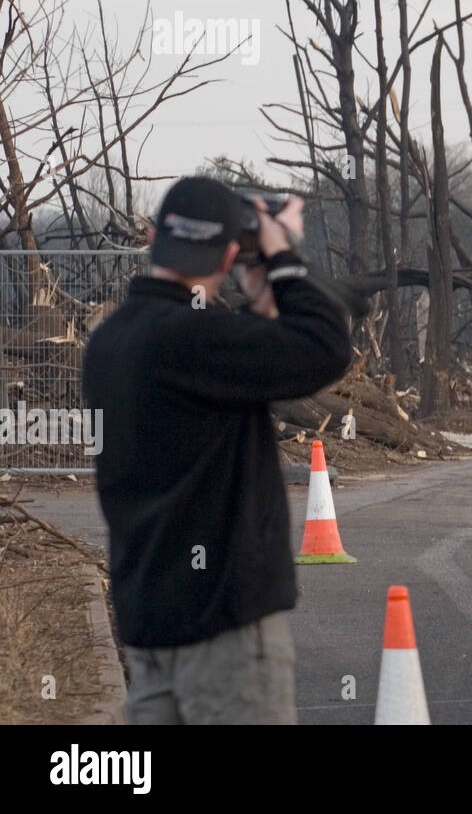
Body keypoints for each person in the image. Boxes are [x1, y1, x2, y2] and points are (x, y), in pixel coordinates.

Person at [83, 176, 351, 724]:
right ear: (230, 252)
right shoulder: (196, 339)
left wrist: (256, 304)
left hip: (150, 625)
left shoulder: (110, 343)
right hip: (222, 628)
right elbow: (325, 348)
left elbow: (224, 373)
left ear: (154, 237)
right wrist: (283, 260)